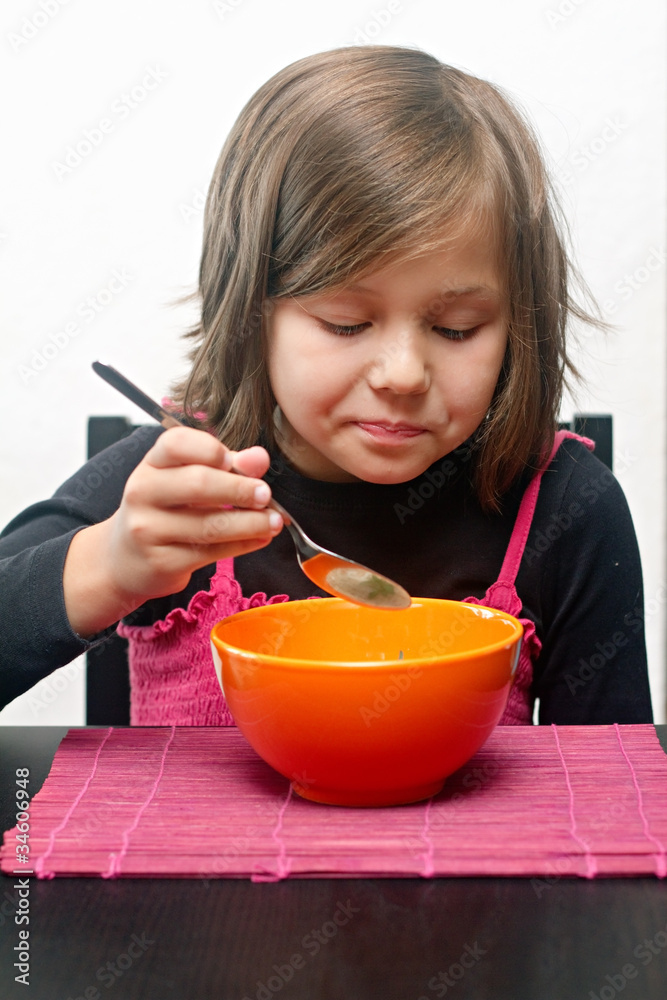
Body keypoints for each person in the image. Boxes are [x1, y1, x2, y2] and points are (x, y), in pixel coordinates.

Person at [0, 46, 653, 726]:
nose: (402, 374)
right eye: (345, 323)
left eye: (457, 328)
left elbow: (614, 792)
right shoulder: (178, 489)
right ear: (253, 314)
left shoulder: (564, 511)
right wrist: (108, 566)